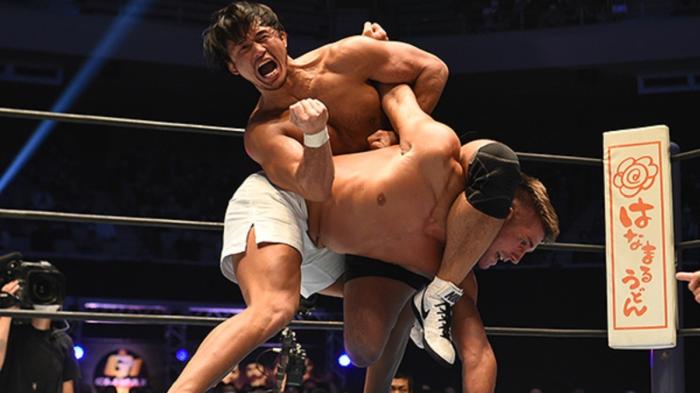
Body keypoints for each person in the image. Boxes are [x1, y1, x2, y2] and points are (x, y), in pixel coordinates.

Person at [0, 279, 80, 393]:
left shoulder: (63, 341)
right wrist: (8, 308)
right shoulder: (11, 334)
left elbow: (67, 388)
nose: (44, 294)